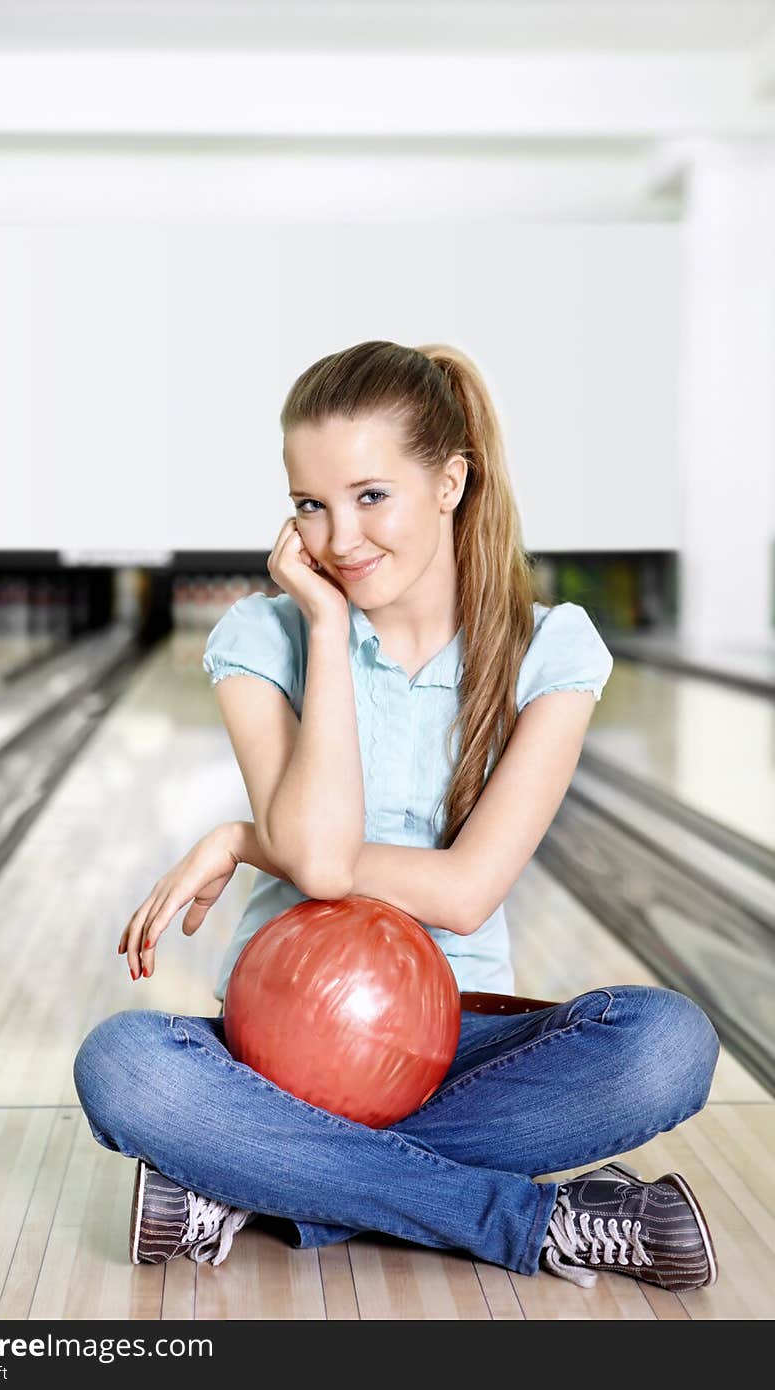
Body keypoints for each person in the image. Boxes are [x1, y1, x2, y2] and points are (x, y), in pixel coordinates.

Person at [73, 340, 720, 1290]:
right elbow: (322, 859)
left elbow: (457, 894)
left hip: (460, 1042)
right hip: (279, 1044)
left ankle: (256, 1177)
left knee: (668, 1046)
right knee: (127, 1065)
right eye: (310, 504)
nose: (337, 538)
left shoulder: (549, 654)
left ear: (452, 480)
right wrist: (329, 631)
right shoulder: (263, 637)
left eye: (371, 495)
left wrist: (248, 841)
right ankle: (527, 1221)